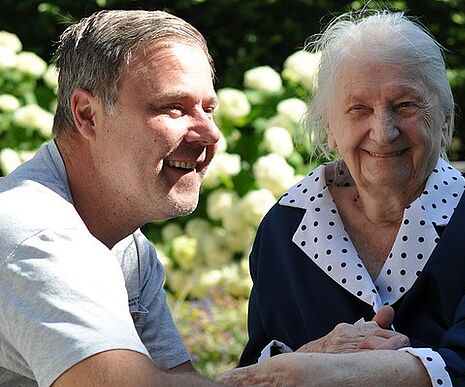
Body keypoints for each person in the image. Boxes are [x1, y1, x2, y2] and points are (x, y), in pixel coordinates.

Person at [0, 9, 406, 387]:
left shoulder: (128, 246)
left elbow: (175, 379)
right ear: (87, 115)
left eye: (208, 108)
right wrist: (288, 375)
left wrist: (306, 362)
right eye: (173, 108)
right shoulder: (38, 233)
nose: (211, 133)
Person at [220, 9, 465, 387]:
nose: (383, 131)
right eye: (359, 109)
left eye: (405, 105)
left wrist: (345, 372)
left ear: (443, 120)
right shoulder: (286, 226)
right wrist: (313, 356)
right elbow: (257, 367)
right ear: (330, 129)